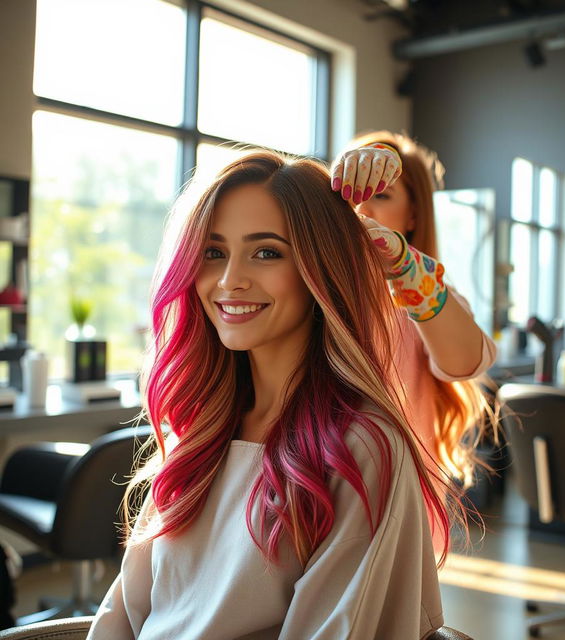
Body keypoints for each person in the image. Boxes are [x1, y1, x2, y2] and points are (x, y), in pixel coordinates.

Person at [87, 151, 452, 639]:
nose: (229, 279)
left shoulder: (361, 447)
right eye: (213, 252)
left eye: (266, 252)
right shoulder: (200, 431)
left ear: (318, 270)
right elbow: (123, 616)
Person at [330, 131, 497, 490]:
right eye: (346, 195)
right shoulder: (316, 300)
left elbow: (466, 360)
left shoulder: (428, 304)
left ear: (413, 216)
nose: (360, 209)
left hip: (399, 514)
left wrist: (405, 267)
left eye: (382, 194)